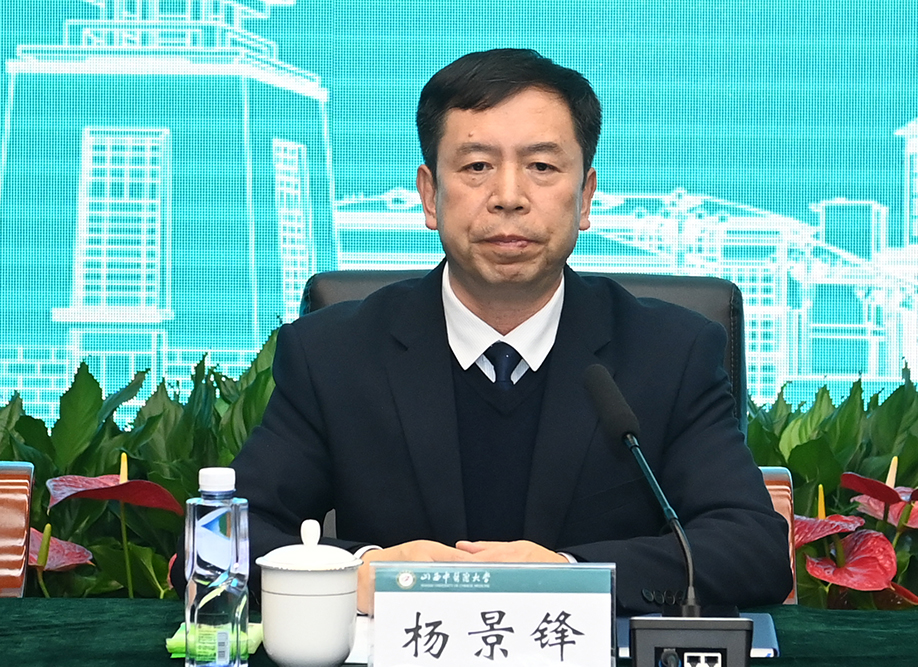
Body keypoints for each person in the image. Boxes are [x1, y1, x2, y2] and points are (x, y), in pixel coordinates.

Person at [170, 48, 792, 615]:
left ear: (585, 197)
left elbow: (752, 549)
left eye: (542, 166)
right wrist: (358, 573)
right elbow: (216, 547)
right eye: (476, 166)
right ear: (430, 195)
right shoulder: (334, 354)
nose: (508, 197)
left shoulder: (670, 352)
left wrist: (573, 576)